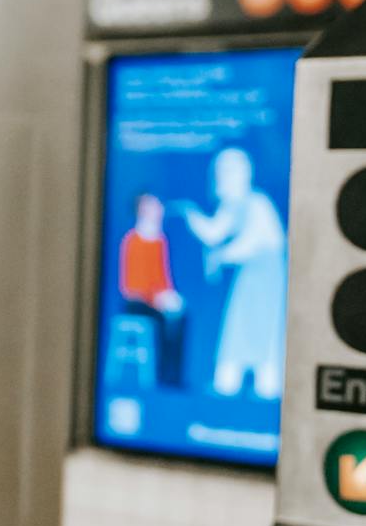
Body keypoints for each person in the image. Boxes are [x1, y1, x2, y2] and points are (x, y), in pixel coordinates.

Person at [181, 147, 287, 399]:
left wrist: (222, 256)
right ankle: (227, 383)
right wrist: (190, 214)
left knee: (265, 331)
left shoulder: (258, 203)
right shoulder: (232, 205)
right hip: (248, 276)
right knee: (237, 328)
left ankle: (268, 385)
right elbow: (213, 232)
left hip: (268, 276)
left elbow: (254, 242)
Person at [116, 192, 185, 388]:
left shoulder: (159, 240)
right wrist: (157, 299)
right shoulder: (133, 240)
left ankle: (172, 375)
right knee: (163, 320)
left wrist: (169, 296)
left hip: (156, 298)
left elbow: (162, 276)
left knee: (179, 316)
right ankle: (161, 375)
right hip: (137, 301)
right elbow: (134, 285)